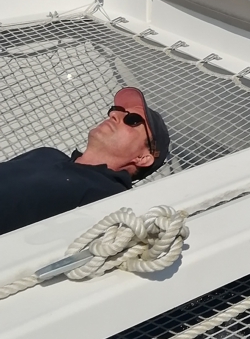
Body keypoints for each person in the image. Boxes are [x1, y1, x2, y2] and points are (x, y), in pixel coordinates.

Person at [0, 87, 170, 235]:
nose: (114, 115)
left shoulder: (112, 201)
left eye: (132, 119)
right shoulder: (47, 154)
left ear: (142, 158)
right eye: (115, 110)